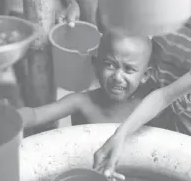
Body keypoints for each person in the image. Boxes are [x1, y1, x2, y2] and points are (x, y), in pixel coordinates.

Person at [92, 0, 191, 181]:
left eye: (127, 69)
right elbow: (164, 96)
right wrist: (120, 136)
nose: (118, 76)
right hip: (164, 93)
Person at [17, 31, 159, 129]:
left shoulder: (149, 104)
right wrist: (12, 118)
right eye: (110, 65)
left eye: (129, 69)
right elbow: (36, 115)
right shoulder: (82, 102)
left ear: (145, 75)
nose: (117, 77)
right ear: (96, 66)